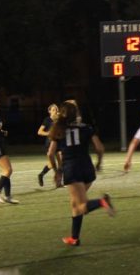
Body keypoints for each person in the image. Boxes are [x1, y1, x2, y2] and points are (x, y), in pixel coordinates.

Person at [48, 100, 115, 246]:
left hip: (72, 170)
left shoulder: (59, 129)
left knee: (81, 206)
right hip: (87, 168)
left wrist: (57, 171)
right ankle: (74, 238)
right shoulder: (86, 128)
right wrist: (98, 163)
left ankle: (102, 202)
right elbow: (100, 148)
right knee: (75, 204)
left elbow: (50, 154)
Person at [36, 103, 60, 187]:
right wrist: (49, 133)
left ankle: (58, 181)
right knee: (52, 164)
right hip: (50, 143)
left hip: (58, 143)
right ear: (49, 111)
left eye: (57, 110)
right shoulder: (47, 120)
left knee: (60, 162)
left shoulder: (59, 120)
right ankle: (42, 175)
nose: (56, 111)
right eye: (53, 110)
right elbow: (39, 132)